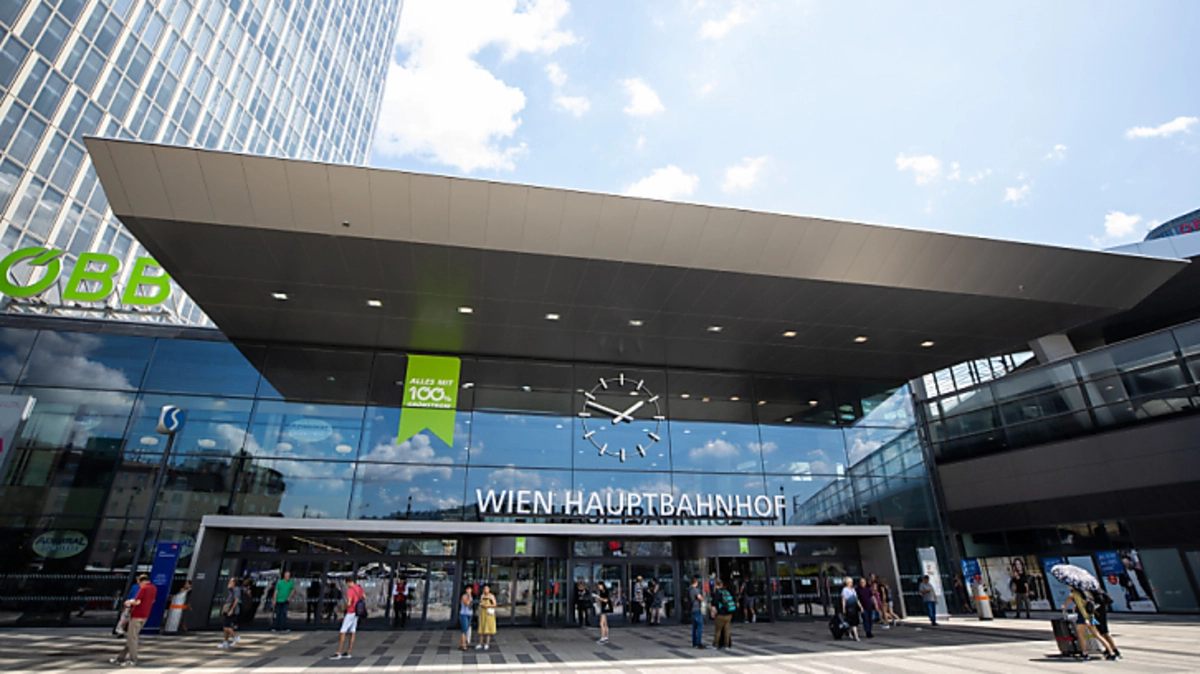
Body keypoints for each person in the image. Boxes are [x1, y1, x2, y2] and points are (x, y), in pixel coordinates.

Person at [109, 574, 157, 666]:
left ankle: (133, 659)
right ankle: (120, 658)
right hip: (145, 615)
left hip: (137, 615)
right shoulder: (153, 588)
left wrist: (129, 601)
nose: (139, 585)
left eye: (139, 583)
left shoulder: (143, 588)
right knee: (131, 638)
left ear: (141, 581)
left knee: (132, 638)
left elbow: (137, 602)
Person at [1062, 586, 1115, 661]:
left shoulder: (1074, 593)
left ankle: (1084, 654)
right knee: (1097, 635)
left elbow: (1067, 603)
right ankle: (1111, 652)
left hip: (1082, 616)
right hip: (1090, 616)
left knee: (1081, 635)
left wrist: (1064, 606)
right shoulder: (1087, 593)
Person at [1088, 589, 1122, 660]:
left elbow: (1098, 601)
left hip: (1098, 611)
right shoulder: (1095, 587)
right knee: (1103, 631)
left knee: (1103, 631)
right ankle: (1111, 649)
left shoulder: (1089, 589)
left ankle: (1113, 650)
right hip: (1101, 609)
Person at [712, 579, 736, 649]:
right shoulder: (726, 592)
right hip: (729, 614)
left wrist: (712, 613)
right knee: (726, 630)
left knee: (718, 630)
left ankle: (715, 645)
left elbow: (714, 604)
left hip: (721, 615)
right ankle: (726, 645)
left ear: (716, 585)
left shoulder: (718, 593)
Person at [218, 578, 242, 649]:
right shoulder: (232, 590)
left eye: (231, 582)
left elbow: (236, 600)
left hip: (232, 609)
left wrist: (231, 610)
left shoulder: (237, 589)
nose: (229, 582)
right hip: (228, 608)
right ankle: (225, 642)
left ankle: (235, 636)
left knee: (226, 626)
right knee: (226, 626)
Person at [476, 584, 497, 650]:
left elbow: (495, 605)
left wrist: (487, 606)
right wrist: (481, 605)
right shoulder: (482, 596)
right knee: (481, 628)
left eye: (487, 589)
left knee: (488, 629)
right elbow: (480, 602)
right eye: (484, 589)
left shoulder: (491, 596)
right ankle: (480, 643)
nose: (485, 590)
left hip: (489, 614)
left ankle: (487, 643)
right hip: (483, 613)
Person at [840, 577, 861, 641]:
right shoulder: (845, 590)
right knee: (853, 622)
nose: (851, 583)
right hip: (849, 607)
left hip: (854, 607)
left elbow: (856, 599)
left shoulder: (853, 590)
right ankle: (856, 636)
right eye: (850, 582)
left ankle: (849, 632)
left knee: (853, 622)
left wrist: (860, 606)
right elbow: (843, 599)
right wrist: (844, 608)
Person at [688, 577, 705, 648]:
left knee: (694, 627)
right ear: (696, 583)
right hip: (696, 609)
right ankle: (698, 642)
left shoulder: (689, 589)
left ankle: (694, 642)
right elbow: (700, 598)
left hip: (692, 609)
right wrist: (702, 599)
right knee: (700, 625)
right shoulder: (695, 590)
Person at [458, 585, 474, 651]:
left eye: (470, 589)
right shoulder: (464, 596)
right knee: (464, 629)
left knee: (466, 629)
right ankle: (463, 645)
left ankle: (461, 644)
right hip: (464, 614)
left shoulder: (471, 597)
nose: (469, 591)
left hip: (469, 614)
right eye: (467, 589)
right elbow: (467, 603)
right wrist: (469, 596)